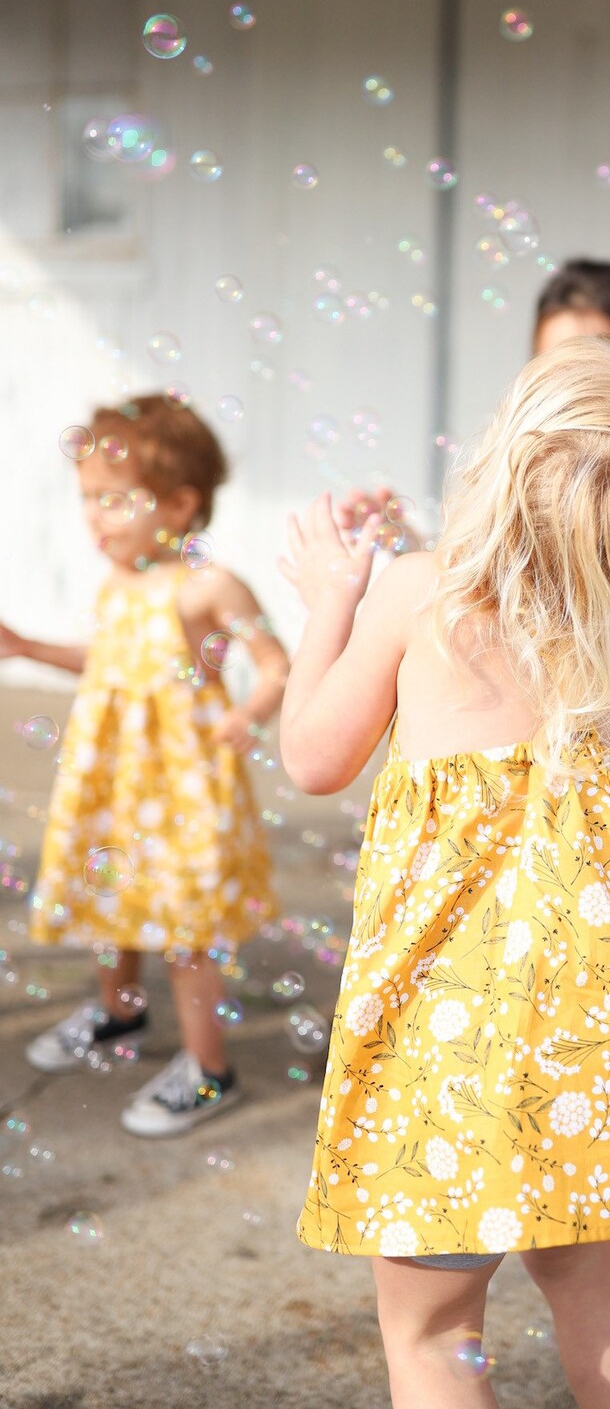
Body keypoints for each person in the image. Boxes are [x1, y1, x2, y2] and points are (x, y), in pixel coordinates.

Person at [281, 336, 610, 1409]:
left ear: (502, 457)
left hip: (446, 1043)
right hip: (586, 1037)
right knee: (583, 1266)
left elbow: (312, 755)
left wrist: (330, 601)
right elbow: (528, 601)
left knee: (432, 1329)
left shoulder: (414, 599)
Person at [338, 258, 610, 959]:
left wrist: (423, 575)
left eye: (596, 355)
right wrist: (427, 557)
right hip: (608, 819)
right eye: (554, 359)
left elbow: (551, 603)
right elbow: (525, 612)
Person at [2, 394, 288, 1136]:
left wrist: (247, 713)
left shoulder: (208, 585)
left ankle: (208, 1070)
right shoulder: (118, 584)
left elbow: (274, 662)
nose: (95, 518)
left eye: (114, 501)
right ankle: (118, 1013)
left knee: (186, 928)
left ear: (180, 501)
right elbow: (105, 661)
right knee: (112, 899)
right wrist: (30, 647)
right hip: (114, 783)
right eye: (88, 500)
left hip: (183, 785)